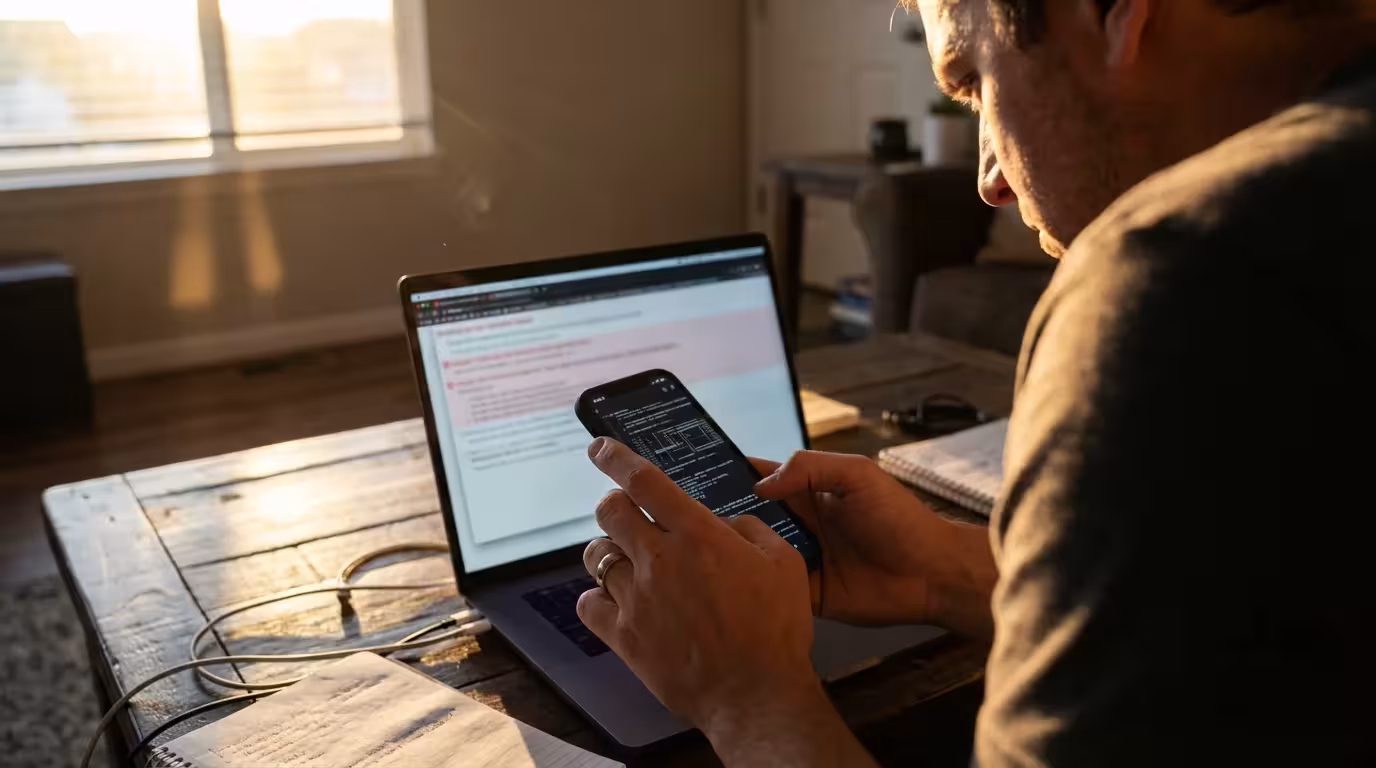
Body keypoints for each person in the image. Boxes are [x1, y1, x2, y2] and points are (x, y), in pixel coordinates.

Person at [576, 0, 1376, 764]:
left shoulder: (1187, 277)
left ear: (1112, 12)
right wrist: (950, 575)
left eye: (973, 81)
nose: (989, 177)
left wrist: (744, 697)